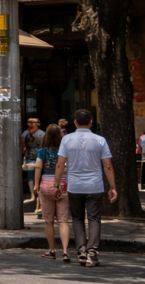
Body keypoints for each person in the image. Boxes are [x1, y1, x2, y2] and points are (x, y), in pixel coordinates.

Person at [56, 109, 117, 268]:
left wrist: (57, 184)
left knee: (77, 218)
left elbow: (60, 164)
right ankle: (92, 249)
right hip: (95, 185)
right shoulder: (100, 140)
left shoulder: (67, 140)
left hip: (75, 185)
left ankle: (81, 249)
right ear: (91, 122)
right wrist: (112, 186)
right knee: (94, 218)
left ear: (74, 122)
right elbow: (108, 166)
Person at [34, 123, 71, 261]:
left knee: (48, 221)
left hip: (46, 185)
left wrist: (36, 184)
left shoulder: (42, 151)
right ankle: (66, 251)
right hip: (63, 185)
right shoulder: (65, 150)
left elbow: (38, 167)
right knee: (63, 221)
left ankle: (52, 250)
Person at [22, 118, 45, 205]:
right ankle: (33, 195)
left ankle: (39, 195)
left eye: (33, 123)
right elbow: (23, 146)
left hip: (39, 155)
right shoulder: (26, 133)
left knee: (40, 176)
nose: (31, 125)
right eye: (29, 123)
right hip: (29, 156)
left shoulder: (42, 134)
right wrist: (24, 158)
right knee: (30, 176)